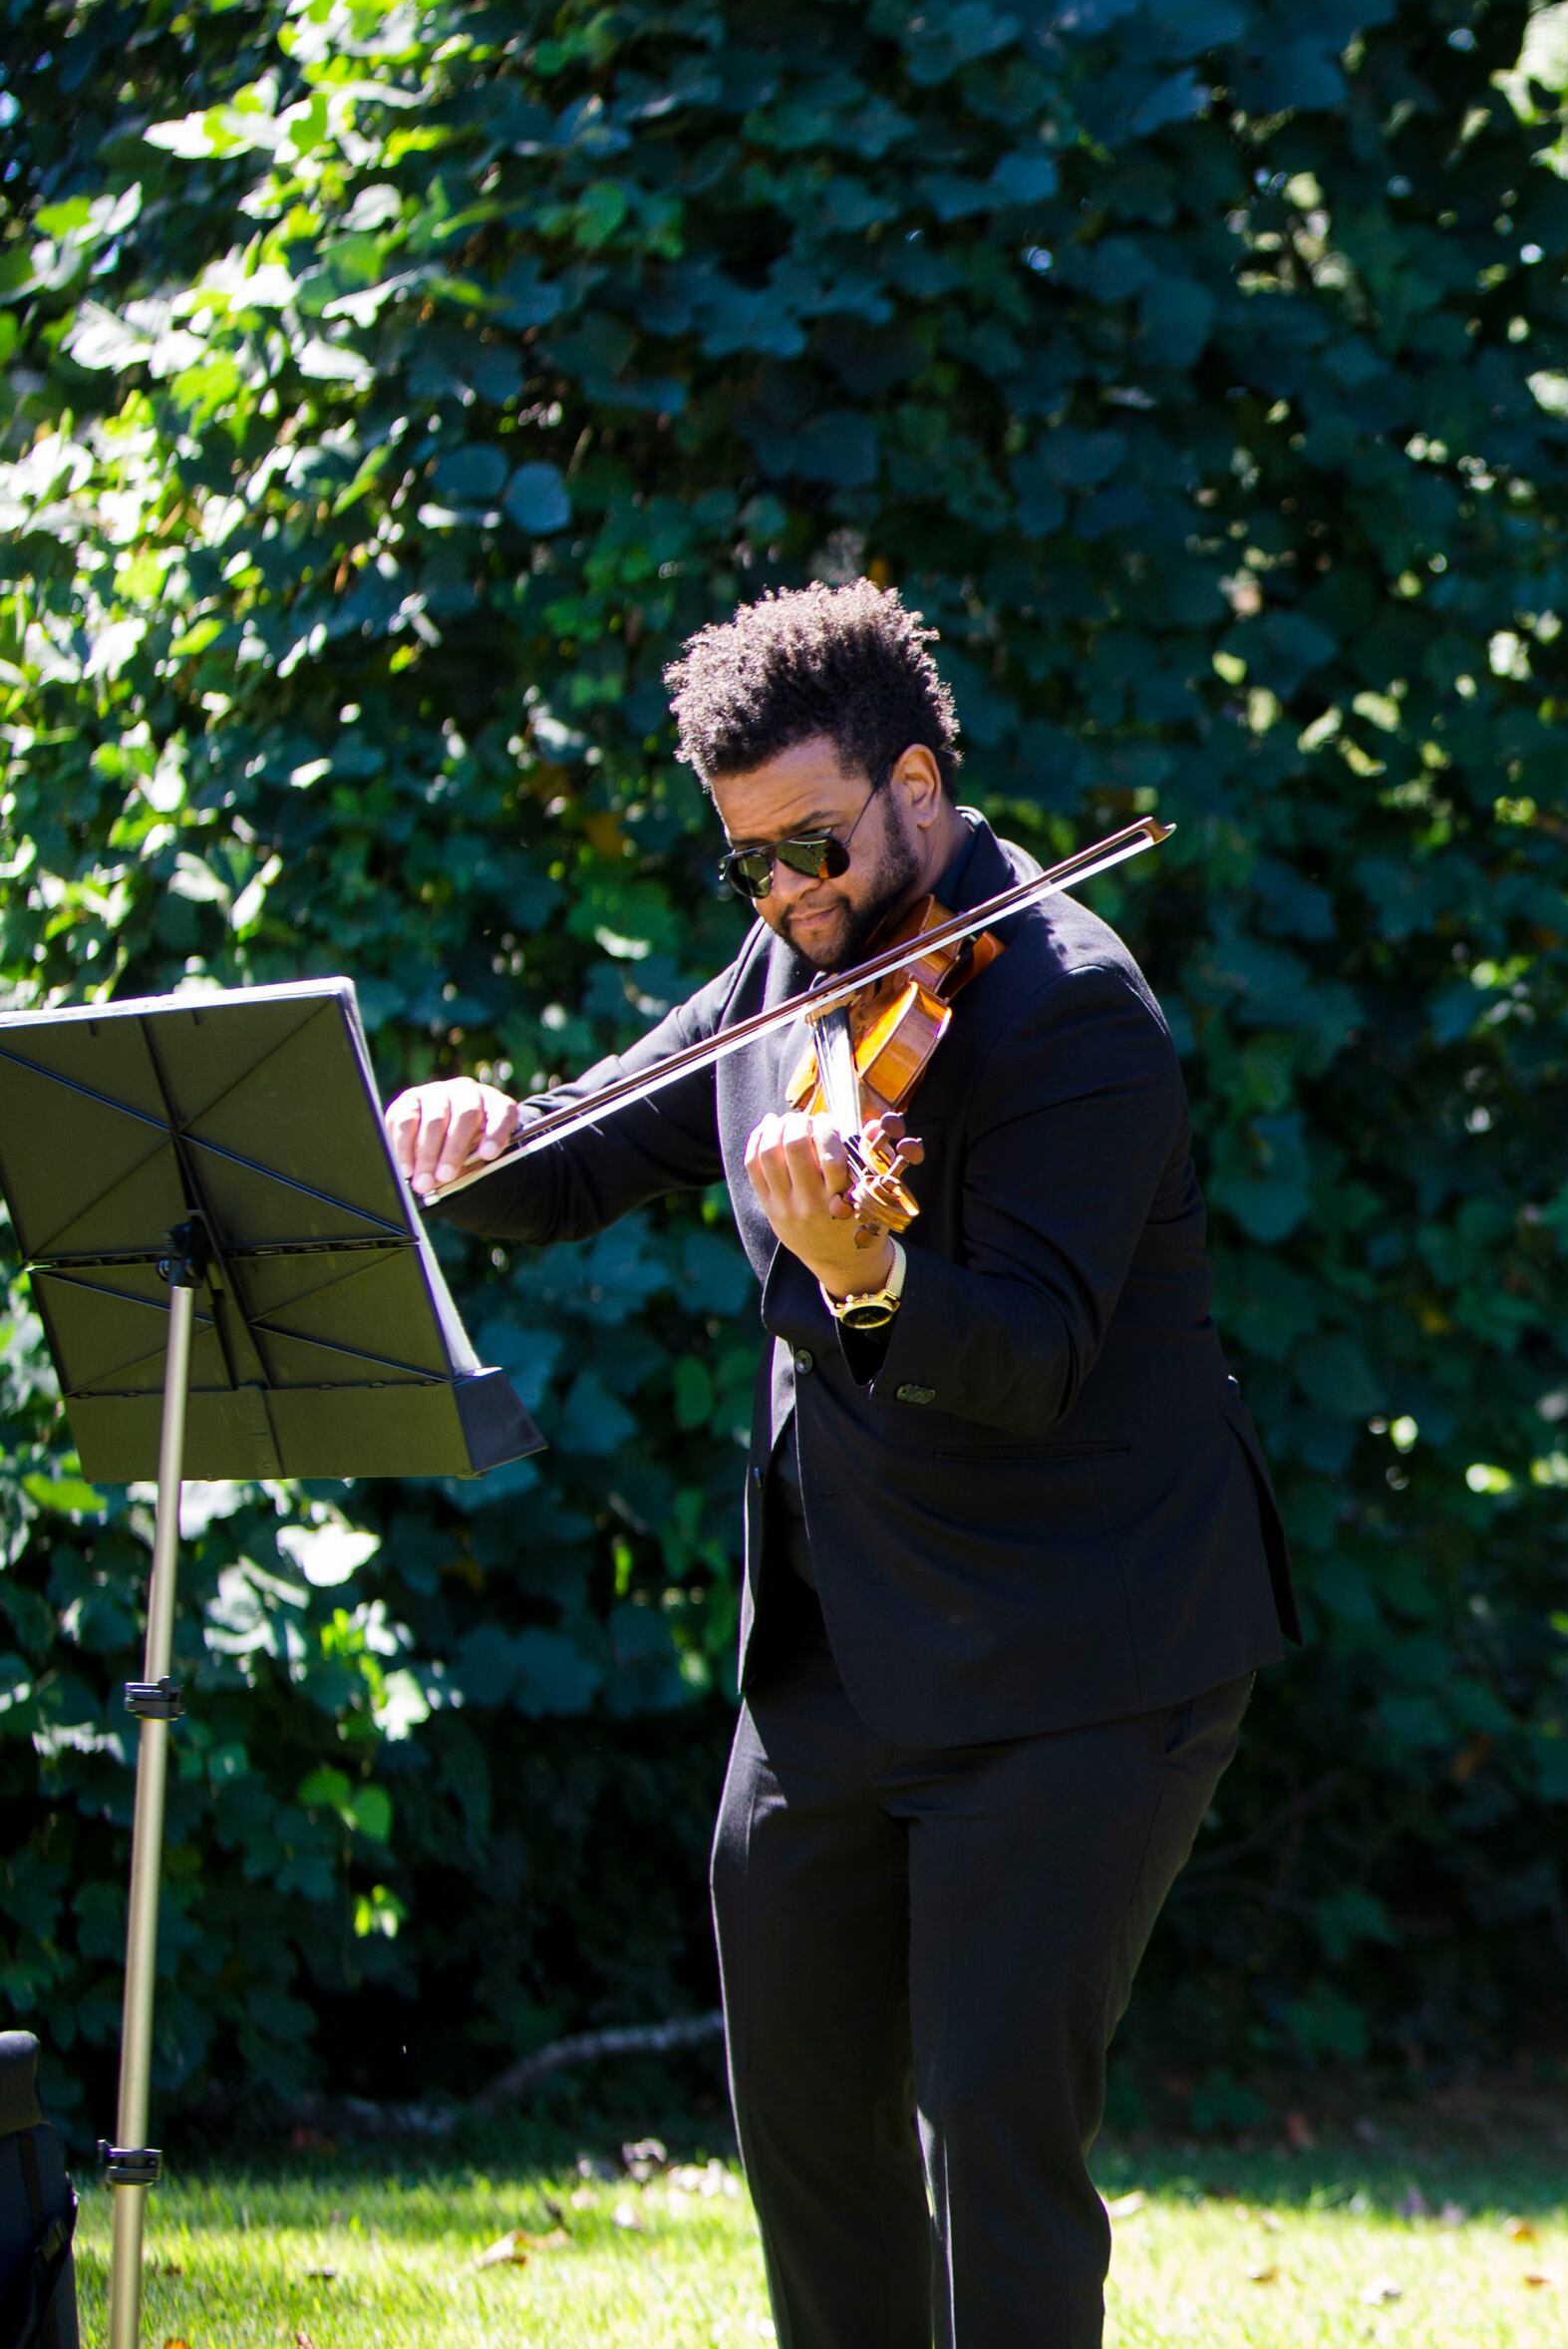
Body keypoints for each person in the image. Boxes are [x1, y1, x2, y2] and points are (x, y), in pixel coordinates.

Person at [385, 580, 1296, 2349]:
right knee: (807, 2132)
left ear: (920, 780)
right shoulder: (795, 961)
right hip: (842, 1653)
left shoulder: (1073, 1016)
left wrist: (870, 1274)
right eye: (749, 866)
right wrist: (477, 1140)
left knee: (993, 2151)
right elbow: (591, 1146)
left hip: (1081, 1663)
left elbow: (1026, 1358)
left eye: (811, 846)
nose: (788, 897)